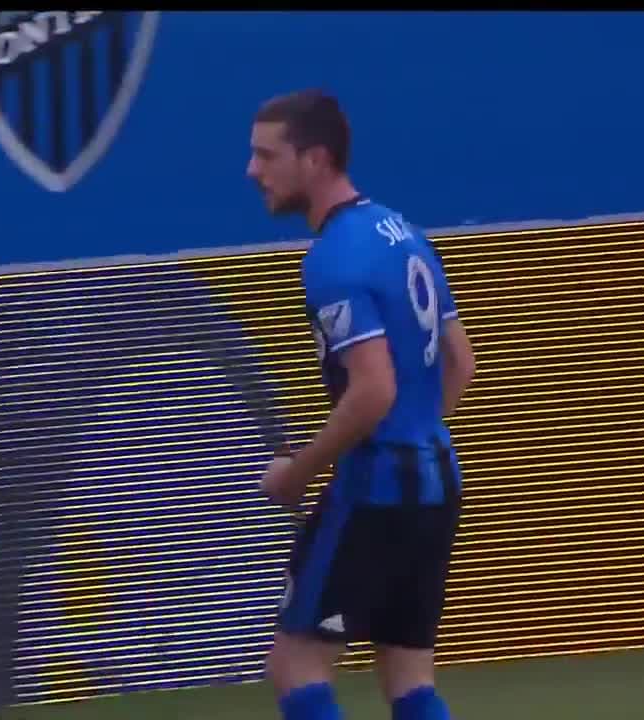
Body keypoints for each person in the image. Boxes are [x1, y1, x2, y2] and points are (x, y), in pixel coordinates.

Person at [247, 90, 478, 720]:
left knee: (296, 664)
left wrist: (297, 472)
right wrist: (415, 434)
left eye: (267, 155)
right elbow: (460, 362)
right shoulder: (403, 233)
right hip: (437, 484)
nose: (253, 170)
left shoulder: (333, 260)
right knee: (409, 679)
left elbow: (373, 389)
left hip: (374, 490)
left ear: (315, 159)